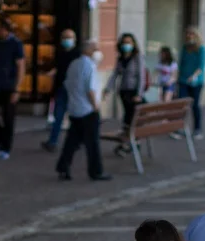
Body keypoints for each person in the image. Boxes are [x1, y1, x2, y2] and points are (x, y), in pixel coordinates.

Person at [56, 40, 112, 181]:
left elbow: (67, 84)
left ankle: (63, 167)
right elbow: (90, 90)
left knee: (72, 141)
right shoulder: (89, 66)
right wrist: (95, 107)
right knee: (92, 143)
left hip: (75, 109)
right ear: (88, 51)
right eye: (95, 49)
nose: (98, 52)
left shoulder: (74, 64)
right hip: (87, 110)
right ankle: (96, 171)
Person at [105, 33, 146, 155]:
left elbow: (141, 77)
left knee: (132, 118)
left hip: (134, 92)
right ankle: (128, 143)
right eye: (124, 43)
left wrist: (139, 93)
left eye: (129, 42)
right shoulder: (121, 58)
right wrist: (108, 88)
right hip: (124, 91)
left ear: (133, 44)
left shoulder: (137, 57)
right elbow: (115, 74)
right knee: (127, 117)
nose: (126, 45)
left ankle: (133, 142)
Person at [0, 18, 25, 161]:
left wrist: (17, 89)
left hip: (10, 86)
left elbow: (21, 66)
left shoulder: (16, 44)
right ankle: (2, 142)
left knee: (8, 118)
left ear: (6, 29)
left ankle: (6, 148)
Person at [41, 29, 79, 153]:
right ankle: (53, 141)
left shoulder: (77, 55)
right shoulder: (60, 53)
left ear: (74, 39)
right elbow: (58, 68)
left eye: (69, 37)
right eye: (64, 37)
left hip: (72, 89)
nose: (66, 40)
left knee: (75, 118)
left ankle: (76, 141)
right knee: (58, 116)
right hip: (61, 88)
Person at [176, 27, 205, 140]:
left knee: (195, 105)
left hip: (196, 82)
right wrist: (178, 76)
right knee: (181, 104)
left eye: (192, 34)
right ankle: (180, 128)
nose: (190, 36)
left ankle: (197, 129)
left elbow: (201, 65)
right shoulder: (185, 48)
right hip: (183, 80)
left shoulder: (201, 49)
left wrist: (193, 76)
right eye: (188, 34)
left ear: (196, 35)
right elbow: (180, 63)